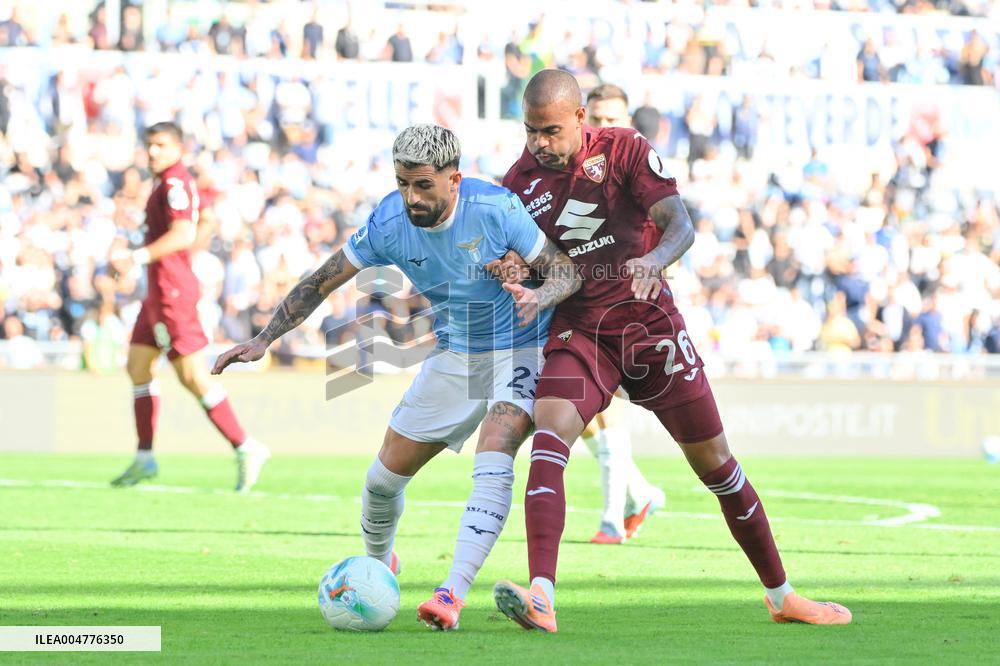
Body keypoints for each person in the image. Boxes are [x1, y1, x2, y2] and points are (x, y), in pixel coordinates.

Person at [491, 70, 852, 632]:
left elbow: (679, 224)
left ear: (581, 118)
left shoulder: (627, 150)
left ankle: (782, 595)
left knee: (717, 466)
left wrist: (654, 261)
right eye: (531, 130)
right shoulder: (517, 181)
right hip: (582, 330)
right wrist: (516, 274)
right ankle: (542, 595)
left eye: (551, 131)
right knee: (550, 432)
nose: (539, 142)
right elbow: (519, 258)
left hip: (649, 326)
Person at [212, 124, 580, 631]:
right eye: (403, 183)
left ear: (455, 179)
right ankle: (379, 566)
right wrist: (264, 339)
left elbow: (565, 271)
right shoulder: (388, 221)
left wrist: (536, 295)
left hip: (521, 344)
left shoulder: (496, 209)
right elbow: (323, 279)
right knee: (382, 480)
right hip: (455, 353)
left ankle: (452, 593)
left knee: (495, 446)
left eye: (423, 185)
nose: (411, 196)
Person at [109, 122, 270, 491]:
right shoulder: (170, 183)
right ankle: (145, 458)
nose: (152, 151)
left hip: (172, 295)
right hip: (158, 292)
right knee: (137, 365)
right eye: (149, 145)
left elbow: (181, 233)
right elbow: (202, 223)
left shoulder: (174, 183)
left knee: (192, 376)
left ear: (178, 148)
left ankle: (245, 447)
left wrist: (136, 257)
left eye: (160, 145)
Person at [562, 82, 667, 545]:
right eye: (598, 118)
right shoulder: (577, 170)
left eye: (613, 119)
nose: (605, 127)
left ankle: (610, 519)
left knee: (610, 409)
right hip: (580, 303)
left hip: (629, 305)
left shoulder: (638, 165)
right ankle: (639, 492)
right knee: (580, 413)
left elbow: (669, 224)